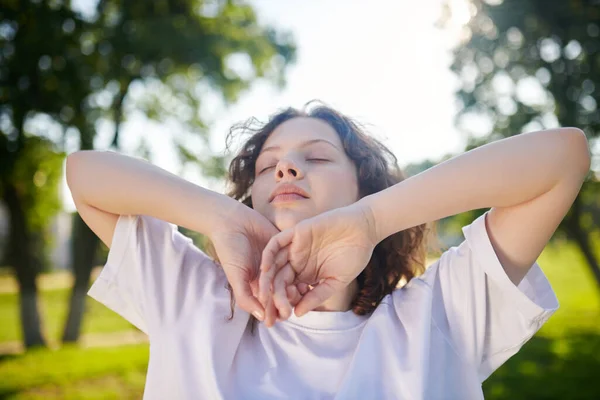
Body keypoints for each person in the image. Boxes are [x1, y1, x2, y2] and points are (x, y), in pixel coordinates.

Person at [66, 102, 589, 399]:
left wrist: (371, 220)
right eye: (268, 166)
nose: (287, 168)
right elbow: (84, 175)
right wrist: (219, 216)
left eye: (316, 157)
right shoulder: (191, 296)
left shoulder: (437, 317)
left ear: (365, 188)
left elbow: (562, 158)